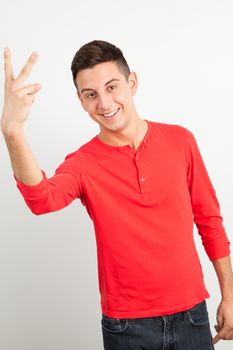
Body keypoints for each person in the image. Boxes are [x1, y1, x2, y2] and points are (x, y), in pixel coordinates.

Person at [1, 40, 233, 350]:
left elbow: (210, 221)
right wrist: (13, 132)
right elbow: (42, 200)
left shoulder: (180, 141)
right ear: (81, 101)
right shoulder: (83, 163)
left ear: (132, 82)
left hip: (192, 317)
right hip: (126, 327)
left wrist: (229, 297)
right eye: (91, 95)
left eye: (112, 87)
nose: (105, 103)